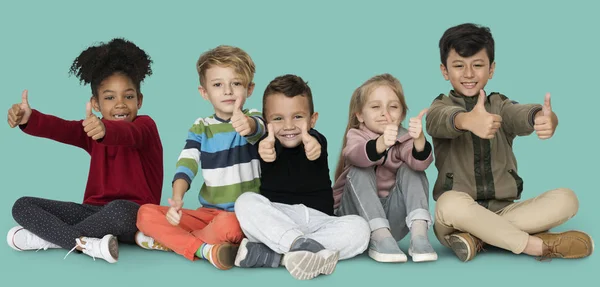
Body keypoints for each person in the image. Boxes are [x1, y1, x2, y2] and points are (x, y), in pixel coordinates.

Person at [426, 23, 594, 262]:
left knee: (567, 199)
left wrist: (542, 117)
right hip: (455, 220)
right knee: (448, 203)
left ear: (491, 69)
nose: (469, 74)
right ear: (445, 71)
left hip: (504, 211)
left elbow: (519, 114)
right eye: (458, 66)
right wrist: (467, 120)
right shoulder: (440, 107)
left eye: (478, 65)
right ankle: (535, 246)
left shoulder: (500, 105)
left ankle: (477, 239)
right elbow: (437, 121)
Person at [6, 38, 162, 264]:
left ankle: (49, 239)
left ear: (139, 100)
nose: (120, 104)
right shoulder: (92, 130)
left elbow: (128, 134)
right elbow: (63, 129)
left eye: (128, 96)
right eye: (109, 97)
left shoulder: (145, 126)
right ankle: (87, 244)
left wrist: (104, 129)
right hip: (92, 213)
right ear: (96, 104)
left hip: (135, 216)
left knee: (119, 211)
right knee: (22, 205)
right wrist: (31, 118)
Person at [135, 45, 265, 270]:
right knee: (145, 213)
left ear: (249, 89)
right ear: (204, 92)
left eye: (236, 83)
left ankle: (173, 242)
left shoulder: (252, 117)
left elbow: (259, 129)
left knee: (231, 227)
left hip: (240, 216)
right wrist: (177, 198)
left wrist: (248, 125)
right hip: (206, 215)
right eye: (217, 85)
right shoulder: (201, 127)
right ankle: (204, 249)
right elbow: (187, 163)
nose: (227, 91)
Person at [233, 74, 370, 280]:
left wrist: (312, 145)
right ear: (266, 121)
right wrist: (263, 149)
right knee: (245, 202)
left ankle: (276, 255)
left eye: (297, 117)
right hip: (280, 218)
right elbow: (262, 142)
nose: (289, 126)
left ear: (312, 119)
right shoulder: (265, 144)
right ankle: (300, 247)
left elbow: (314, 144)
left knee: (360, 229)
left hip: (321, 220)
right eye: (278, 118)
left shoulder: (316, 140)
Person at [332, 73, 437, 263]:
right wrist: (380, 144)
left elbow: (420, 162)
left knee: (412, 168)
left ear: (402, 114)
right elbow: (356, 154)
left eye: (393, 107)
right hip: (353, 217)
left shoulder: (403, 137)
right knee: (360, 168)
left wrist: (419, 141)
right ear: (360, 115)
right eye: (375, 107)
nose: (384, 113)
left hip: (393, 222)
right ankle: (379, 238)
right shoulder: (356, 135)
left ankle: (419, 236)